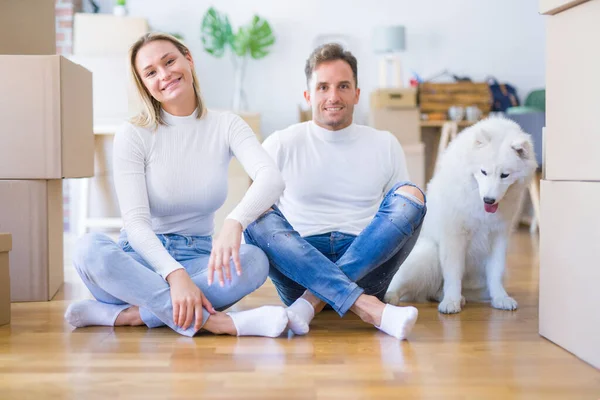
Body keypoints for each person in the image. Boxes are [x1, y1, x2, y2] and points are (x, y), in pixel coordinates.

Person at [64, 32, 288, 338]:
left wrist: (235, 222)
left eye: (169, 61)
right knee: (88, 249)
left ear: (188, 60)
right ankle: (217, 322)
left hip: (198, 256)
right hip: (139, 259)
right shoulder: (133, 134)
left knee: (255, 261)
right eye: (151, 72)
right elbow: (137, 224)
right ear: (144, 85)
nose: (165, 74)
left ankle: (129, 316)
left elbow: (271, 178)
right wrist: (174, 275)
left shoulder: (226, 125)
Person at [243, 43, 427, 340]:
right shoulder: (280, 143)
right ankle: (368, 308)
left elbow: (401, 216)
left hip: (368, 264)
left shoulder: (385, 143)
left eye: (343, 86)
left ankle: (311, 303)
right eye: (323, 87)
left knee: (412, 196)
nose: (333, 96)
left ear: (356, 93)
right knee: (254, 212)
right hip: (298, 269)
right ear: (308, 96)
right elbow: (252, 216)